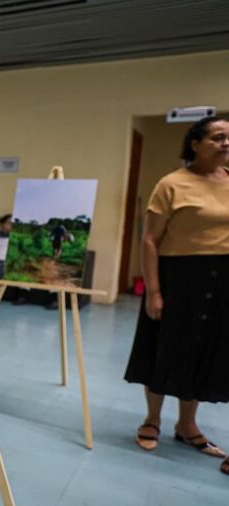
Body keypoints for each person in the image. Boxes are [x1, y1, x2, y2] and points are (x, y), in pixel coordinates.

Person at [125, 116, 229, 457]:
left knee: (202, 350)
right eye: (217, 137)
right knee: (164, 346)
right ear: (195, 143)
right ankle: (152, 419)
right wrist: (154, 292)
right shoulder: (172, 184)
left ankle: (188, 424)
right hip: (178, 278)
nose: (225, 143)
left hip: (221, 278)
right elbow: (150, 240)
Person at [0, 213, 12, 279]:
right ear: (3, 224)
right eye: (9, 223)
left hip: (9, 263)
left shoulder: (14, 236)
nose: (11, 225)